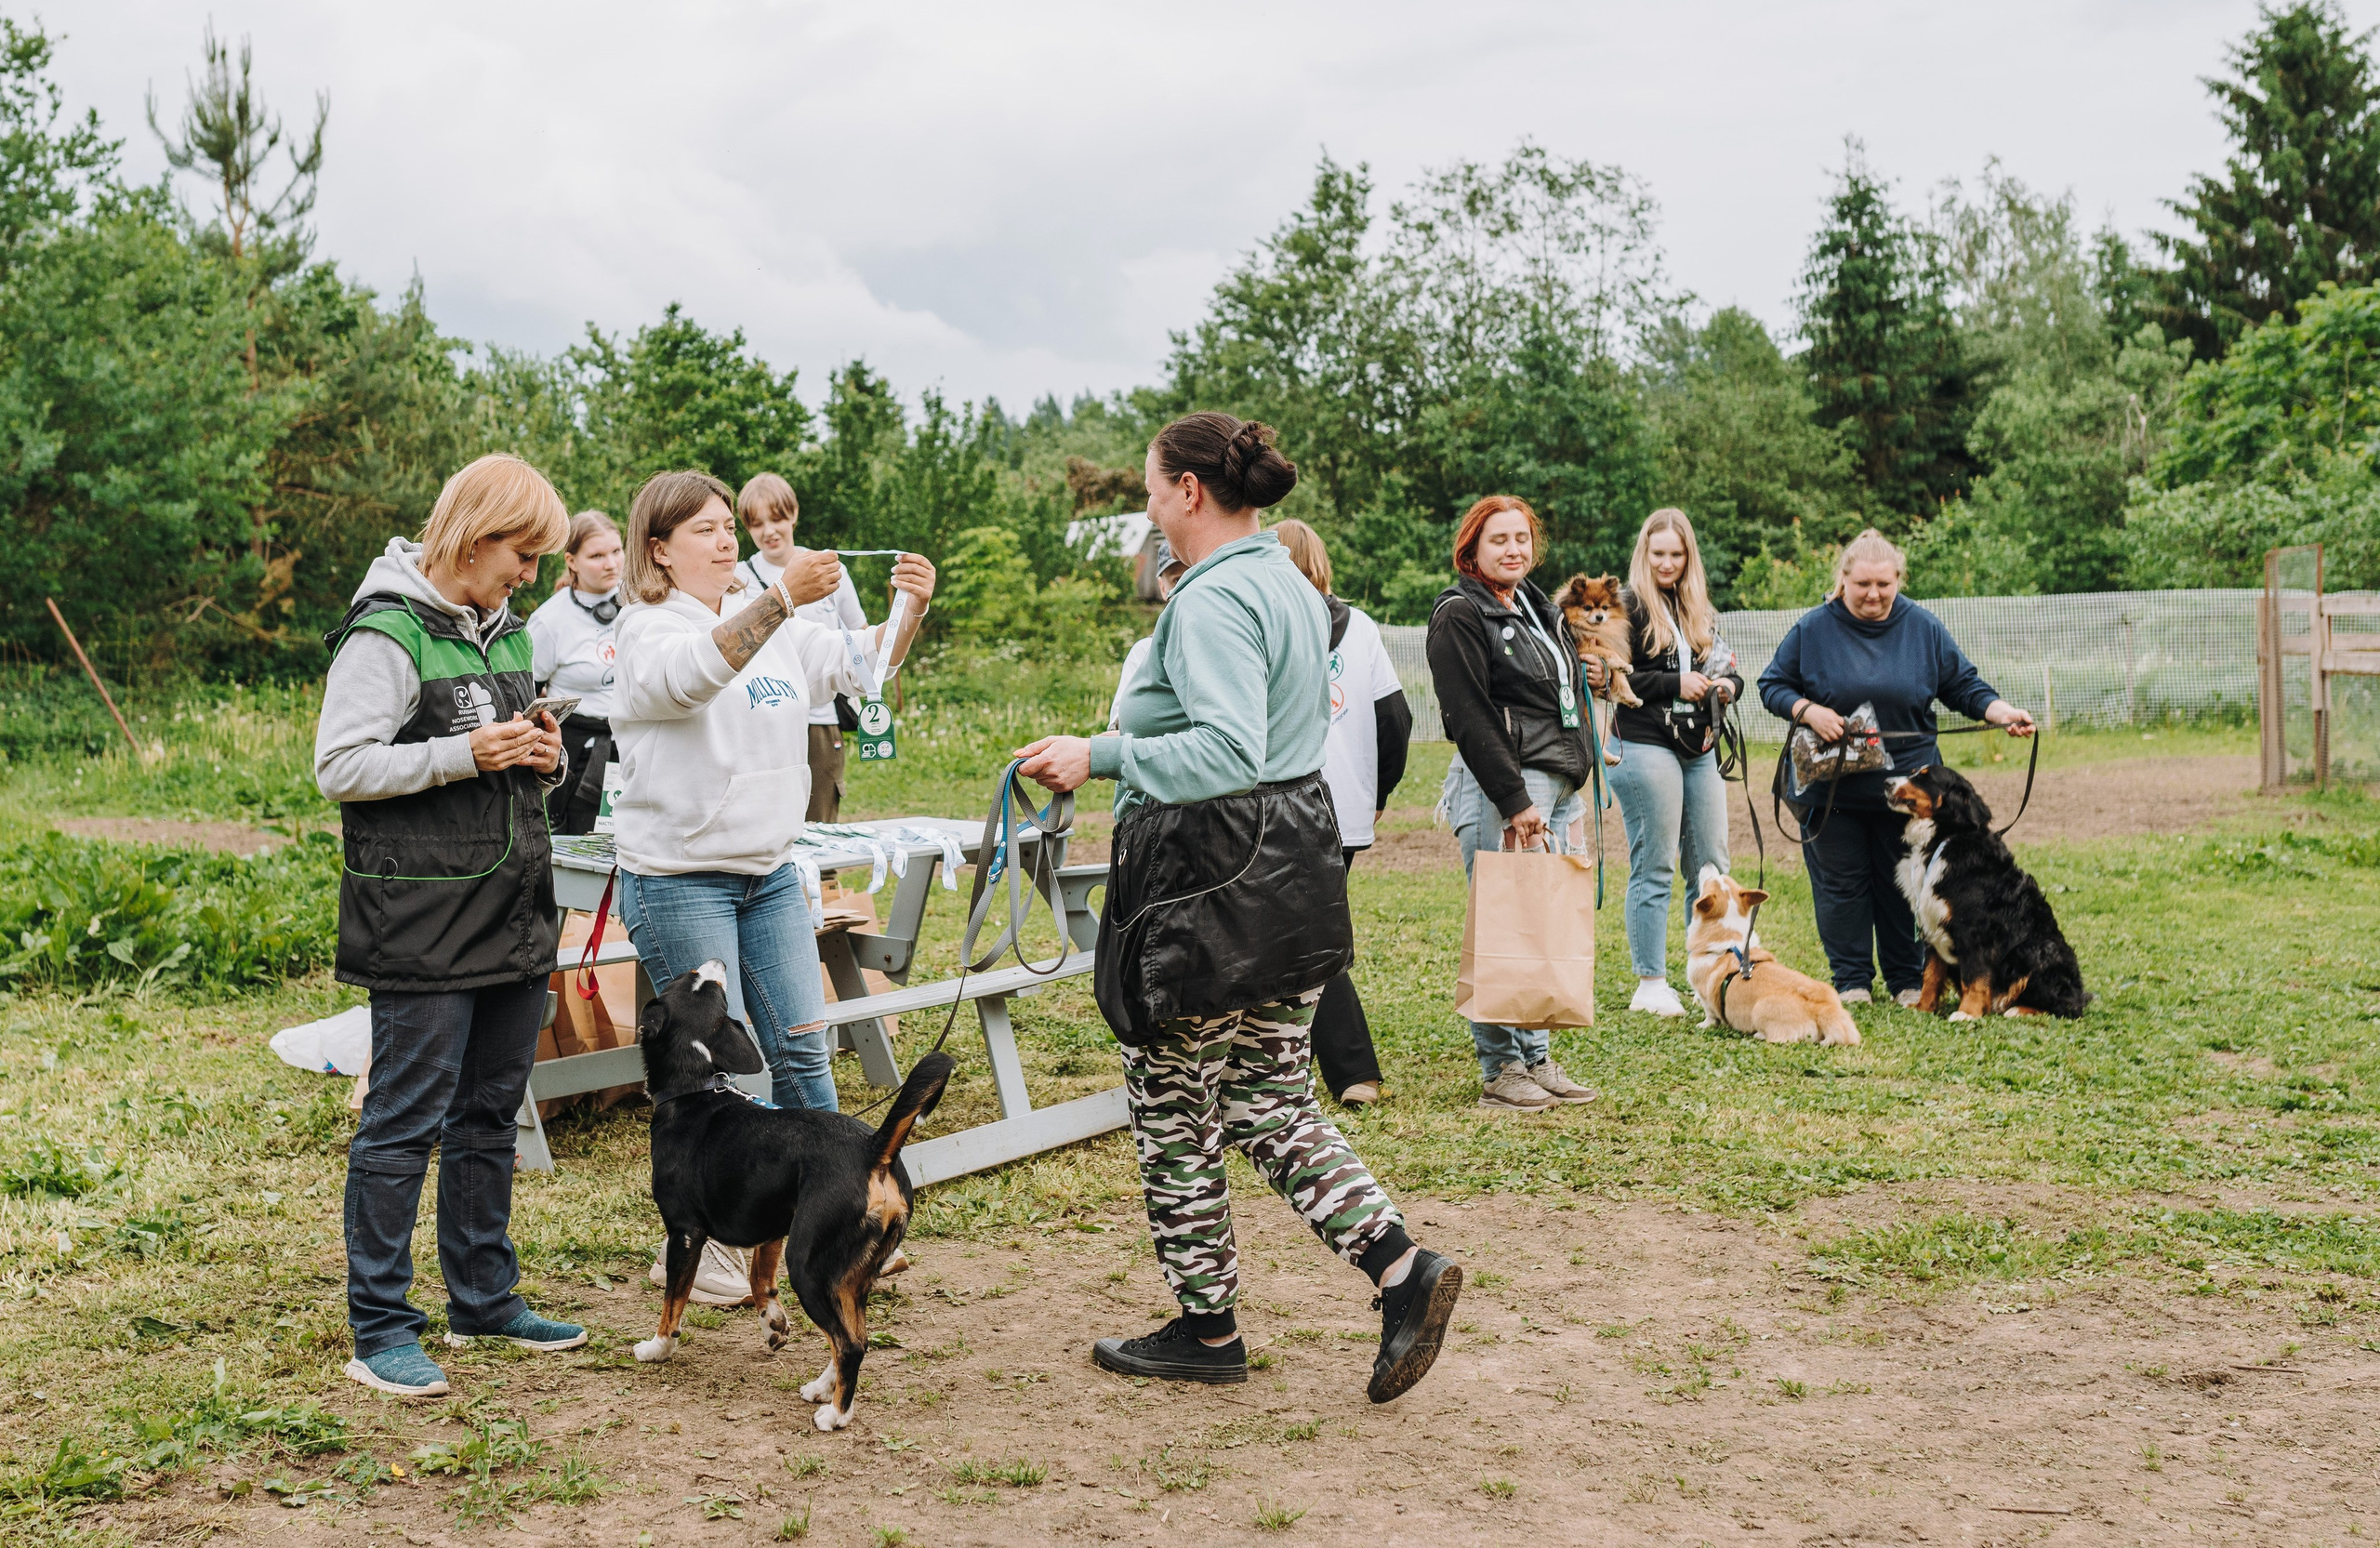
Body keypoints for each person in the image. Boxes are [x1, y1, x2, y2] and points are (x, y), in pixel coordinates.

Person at [1014, 412, 1461, 1405]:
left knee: (1176, 1109)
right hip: (1289, 872)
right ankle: (1401, 1269)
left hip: (1205, 883)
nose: (1145, 506)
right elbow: (1256, 740)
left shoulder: (1211, 600)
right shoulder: (1292, 586)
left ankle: (1206, 1330)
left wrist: (1103, 755)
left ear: (1186, 491)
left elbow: (1223, 752)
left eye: (1148, 487)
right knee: (1268, 1097)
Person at [613, 469, 934, 1304]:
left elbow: (859, 665)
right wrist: (781, 601)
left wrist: (908, 609)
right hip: (682, 876)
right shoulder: (647, 627)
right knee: (724, 1064)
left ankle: (841, 1221)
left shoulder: (770, 618)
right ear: (659, 548)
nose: (727, 539)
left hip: (767, 869)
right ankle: (713, 1247)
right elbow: (689, 678)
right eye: (707, 529)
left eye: (730, 526)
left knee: (799, 1046)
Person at [314, 453, 583, 1398]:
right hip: (422, 917)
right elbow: (340, 767)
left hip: (512, 909)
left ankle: (485, 1298)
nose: (530, 575)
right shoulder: (384, 635)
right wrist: (465, 754)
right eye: (521, 552)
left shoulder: (505, 634)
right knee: (404, 1123)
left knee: (488, 1112)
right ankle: (380, 1327)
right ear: (473, 536)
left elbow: (500, 753)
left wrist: (538, 756)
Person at [1756, 528, 2035, 1003]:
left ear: (1898, 580)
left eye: (1884, 584)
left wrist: (2000, 711)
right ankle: (1851, 982)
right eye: (1862, 584)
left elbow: (1963, 685)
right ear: (1841, 581)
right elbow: (1773, 685)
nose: (1873, 594)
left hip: (1909, 794)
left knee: (1903, 887)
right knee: (1841, 889)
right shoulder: (1813, 629)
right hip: (1831, 793)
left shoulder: (1922, 627)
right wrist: (1808, 711)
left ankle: (1907, 980)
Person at [1424, 495, 1602, 1113]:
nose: (1514, 550)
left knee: (1540, 920)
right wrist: (1514, 797)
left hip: (1550, 787)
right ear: (1471, 548)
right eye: (1499, 539)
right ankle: (1500, 1067)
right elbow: (1467, 713)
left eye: (1522, 538)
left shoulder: (1533, 606)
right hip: (1504, 788)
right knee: (1504, 923)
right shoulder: (1459, 612)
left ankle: (1537, 1059)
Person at [1581, 509, 1741, 1018]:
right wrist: (1675, 684)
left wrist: (1726, 687)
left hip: (1698, 746)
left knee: (1712, 864)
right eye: (1658, 554)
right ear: (1643, 556)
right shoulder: (1623, 607)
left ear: (1688, 557)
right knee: (1655, 863)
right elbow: (1608, 677)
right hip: (1644, 741)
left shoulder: (1697, 608)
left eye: (1677, 554)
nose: (1667, 563)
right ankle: (1650, 983)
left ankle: (1716, 971)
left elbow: (1726, 666)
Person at [1273, 518, 1409, 1108]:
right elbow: (1396, 721)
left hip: (1282, 805)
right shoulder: (1363, 630)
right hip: (1347, 808)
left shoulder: (1268, 625)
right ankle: (1281, 1062)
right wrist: (1375, 795)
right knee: (1286, 932)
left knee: (1304, 936)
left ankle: (1355, 1070)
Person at [733, 473, 870, 824]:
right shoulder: (739, 578)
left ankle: (824, 882)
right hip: (762, 716)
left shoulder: (827, 567)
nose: (769, 532)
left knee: (819, 823)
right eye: (757, 524)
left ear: (793, 514)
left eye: (777, 519)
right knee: (767, 820)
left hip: (820, 718)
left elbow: (860, 633)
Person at [526, 510, 626, 834]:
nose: (611, 563)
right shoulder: (549, 621)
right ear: (572, 561)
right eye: (597, 555)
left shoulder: (644, 602)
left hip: (637, 748)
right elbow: (526, 698)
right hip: (578, 763)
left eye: (616, 551)